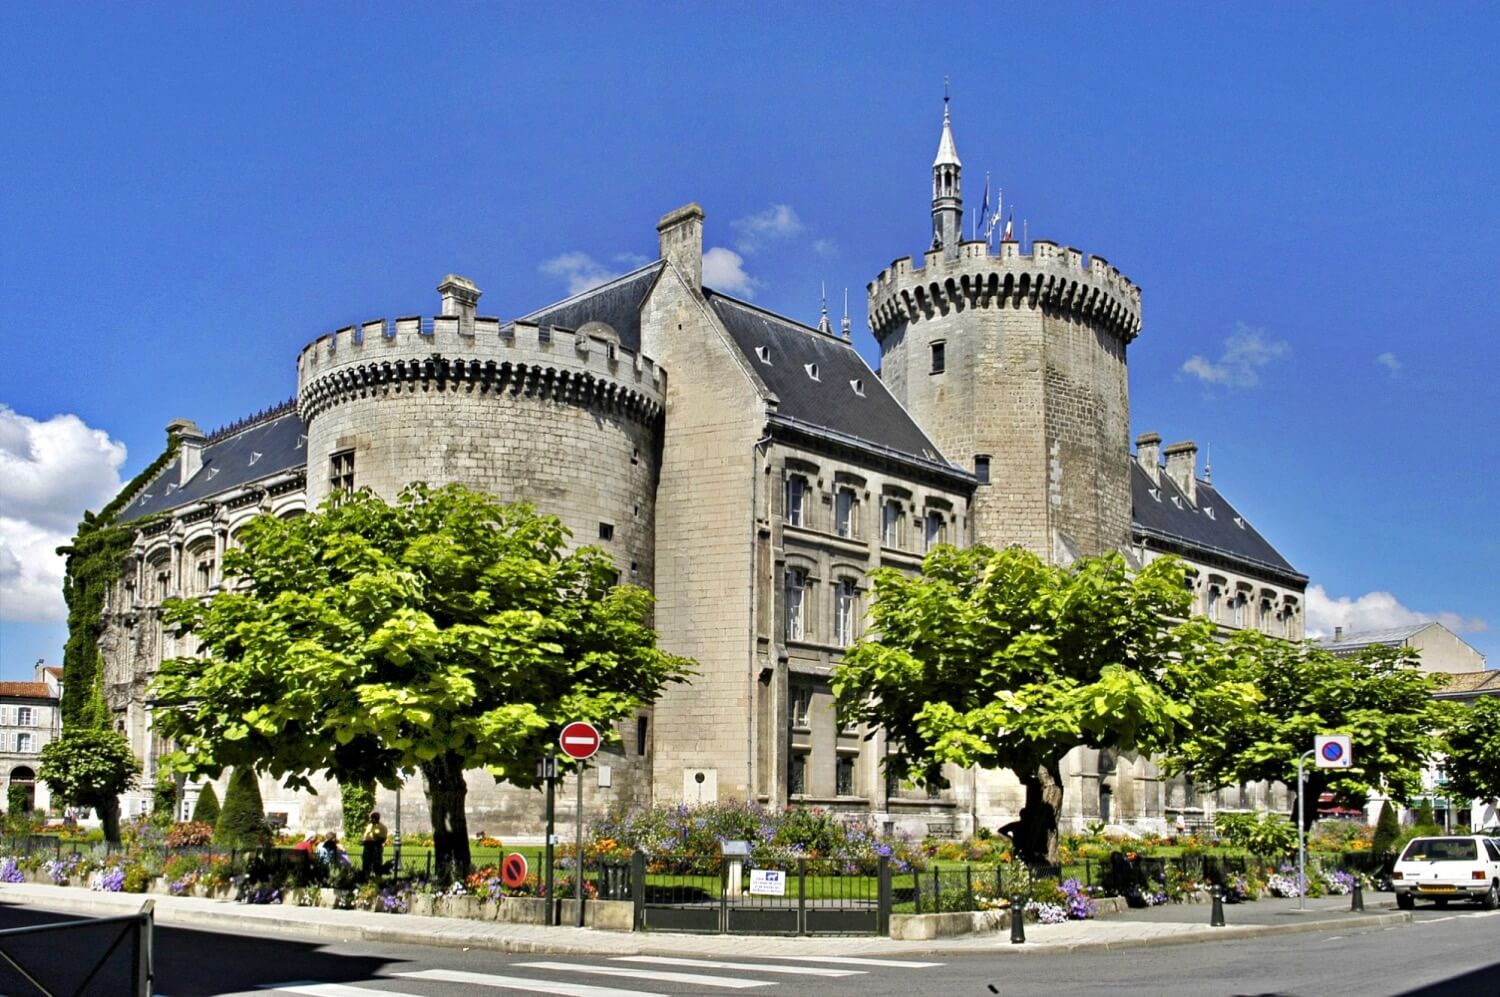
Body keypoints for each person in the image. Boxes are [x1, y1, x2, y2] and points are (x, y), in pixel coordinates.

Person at [361, 811, 389, 878]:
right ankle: (366, 877)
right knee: (366, 864)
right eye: (371, 818)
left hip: (375, 848)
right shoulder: (369, 826)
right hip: (367, 847)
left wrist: (371, 842)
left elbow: (382, 839)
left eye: (373, 818)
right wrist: (364, 841)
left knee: (377, 865)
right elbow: (366, 836)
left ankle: (378, 879)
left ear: (377, 818)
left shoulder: (382, 827)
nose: (371, 819)